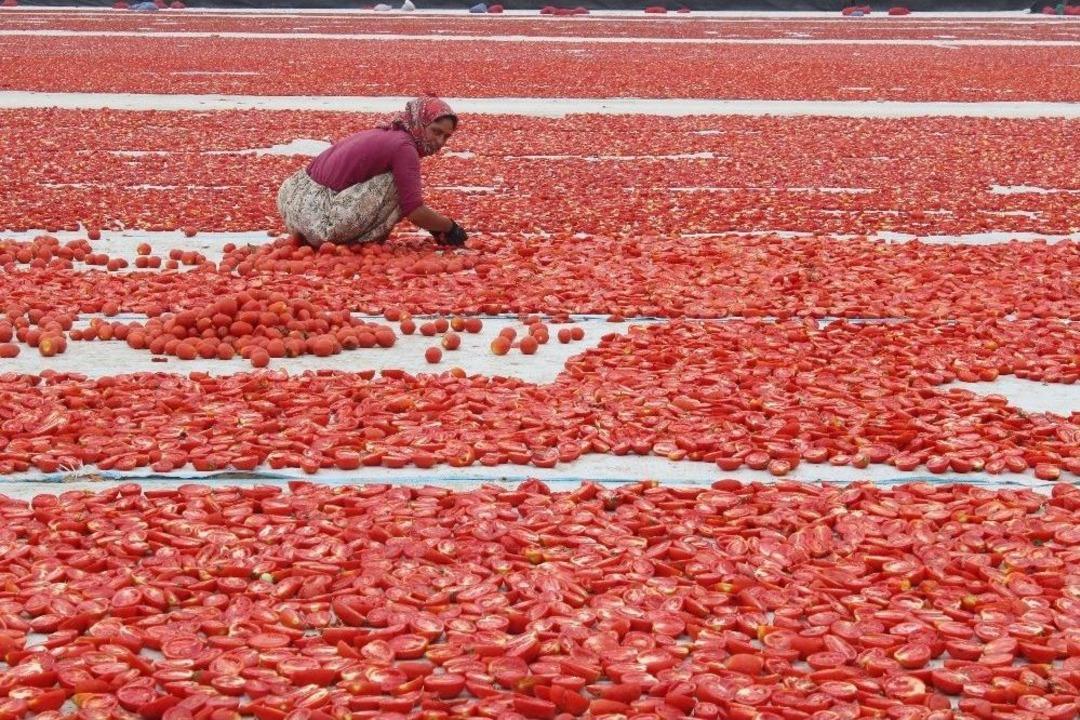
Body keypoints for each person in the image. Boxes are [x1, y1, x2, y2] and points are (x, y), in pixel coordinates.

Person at [277, 95, 468, 249]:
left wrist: (435, 227)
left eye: (446, 136)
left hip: (294, 205)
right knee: (396, 184)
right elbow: (414, 211)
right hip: (319, 222)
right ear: (420, 123)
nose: (440, 142)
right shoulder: (404, 147)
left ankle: (315, 237)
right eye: (436, 131)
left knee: (400, 182)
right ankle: (351, 239)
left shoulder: (388, 134)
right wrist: (449, 227)